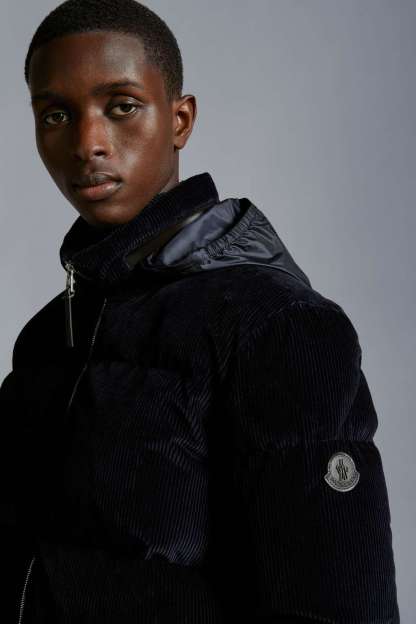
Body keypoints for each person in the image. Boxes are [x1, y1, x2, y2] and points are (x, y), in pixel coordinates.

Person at [0, 0, 400, 622]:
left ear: (180, 119)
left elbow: (336, 605)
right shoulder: (51, 335)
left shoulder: (279, 325)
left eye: (121, 106)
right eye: (56, 115)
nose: (87, 143)